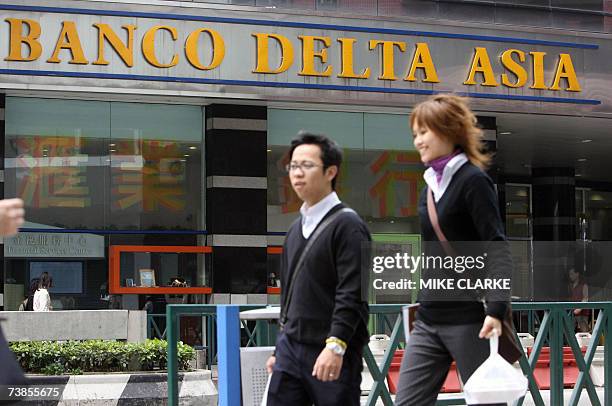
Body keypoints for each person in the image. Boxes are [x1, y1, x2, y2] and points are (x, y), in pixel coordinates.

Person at [395, 94, 512, 405]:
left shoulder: (473, 181)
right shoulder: (429, 189)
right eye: (415, 134)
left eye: (424, 132)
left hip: (470, 319)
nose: (418, 141)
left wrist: (496, 309)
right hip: (429, 317)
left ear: (448, 131)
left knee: (488, 403)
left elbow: (496, 245)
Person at [265, 132, 371, 405]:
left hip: (331, 348)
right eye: (293, 166)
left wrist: (336, 345)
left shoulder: (348, 226)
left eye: (307, 166)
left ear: (330, 171)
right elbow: (287, 296)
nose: (297, 174)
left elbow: (353, 292)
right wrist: (279, 350)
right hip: (291, 349)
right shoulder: (294, 230)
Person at [568, 267, 590, 332]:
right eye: (569, 274)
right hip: (572, 312)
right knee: (569, 332)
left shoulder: (584, 285)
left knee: (584, 332)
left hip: (582, 313)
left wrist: (579, 308)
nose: (570, 276)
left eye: (572, 274)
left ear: (577, 274)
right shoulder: (570, 286)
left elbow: (585, 298)